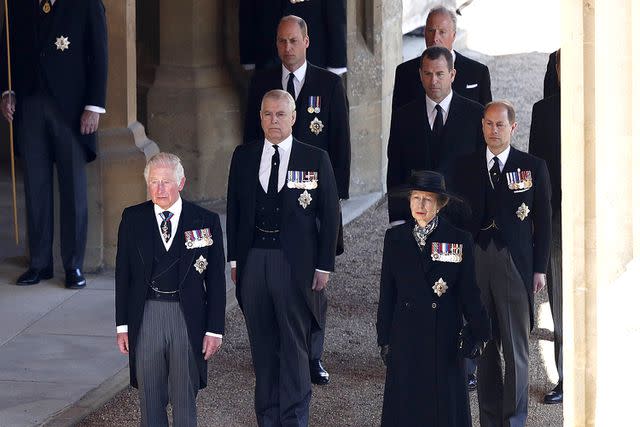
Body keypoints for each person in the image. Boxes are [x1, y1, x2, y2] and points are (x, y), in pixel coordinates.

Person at [243, 15, 350, 384]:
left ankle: (312, 354)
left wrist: (337, 201)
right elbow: (248, 141)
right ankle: (278, 349)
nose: (287, 48)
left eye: (293, 41)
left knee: (314, 283)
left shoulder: (329, 84)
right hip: (271, 200)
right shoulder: (261, 82)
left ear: (307, 42)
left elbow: (341, 145)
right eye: (281, 41)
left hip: (314, 199)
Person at [227, 89, 340, 426]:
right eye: (267, 114)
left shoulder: (315, 158)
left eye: (280, 114)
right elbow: (233, 210)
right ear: (259, 117)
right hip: (254, 261)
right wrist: (235, 261)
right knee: (262, 348)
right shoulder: (243, 156)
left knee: (294, 348)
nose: (273, 120)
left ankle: (293, 420)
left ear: (293, 118)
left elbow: (330, 215)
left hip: (295, 265)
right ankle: (268, 418)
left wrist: (323, 265)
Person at [449, 101, 552, 427]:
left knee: (516, 349)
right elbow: (454, 217)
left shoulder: (532, 167)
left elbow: (544, 221)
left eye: (500, 125)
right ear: (482, 126)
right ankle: (490, 420)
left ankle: (515, 420)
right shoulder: (464, 166)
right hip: (477, 260)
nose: (494, 131)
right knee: (485, 346)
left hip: (514, 264)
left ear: (513, 128)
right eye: (489, 125)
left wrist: (539, 268)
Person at [0, 0, 108, 288]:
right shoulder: (16, 4)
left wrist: (94, 106)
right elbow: (7, 47)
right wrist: (7, 91)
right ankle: (39, 263)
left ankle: (73, 265)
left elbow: (99, 54)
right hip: (30, 104)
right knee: (36, 186)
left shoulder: (87, 4)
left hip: (71, 109)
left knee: (73, 187)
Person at [115, 152, 226, 426]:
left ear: (182, 183)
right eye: (154, 182)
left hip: (186, 317)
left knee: (184, 398)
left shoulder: (205, 221)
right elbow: (123, 276)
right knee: (149, 398)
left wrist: (214, 329)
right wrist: (122, 326)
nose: (160, 189)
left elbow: (215, 281)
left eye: (166, 182)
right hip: (147, 314)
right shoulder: (132, 219)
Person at [377, 170, 491, 426]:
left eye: (428, 199)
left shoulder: (458, 241)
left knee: (444, 411)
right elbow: (387, 293)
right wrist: (384, 338)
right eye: (416, 198)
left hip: (444, 338)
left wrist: (480, 332)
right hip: (406, 337)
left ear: (441, 204)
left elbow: (469, 292)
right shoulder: (395, 239)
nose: (421, 205)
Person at [387, 46, 484, 225]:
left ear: (452, 75)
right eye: (428, 74)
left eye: (440, 74)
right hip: (415, 219)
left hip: (461, 220)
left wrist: (479, 218)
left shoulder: (476, 115)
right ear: (420, 75)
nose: (433, 81)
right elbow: (395, 168)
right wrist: (397, 218)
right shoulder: (404, 116)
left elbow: (482, 170)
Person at [529, 48, 562, 404]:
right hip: (555, 216)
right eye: (560, 65)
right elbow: (538, 173)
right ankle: (564, 377)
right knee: (560, 297)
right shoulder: (542, 111)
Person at [392, 5, 492, 112]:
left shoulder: (477, 72)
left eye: (442, 32)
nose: (435, 38)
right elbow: (398, 121)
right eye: (431, 31)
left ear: (453, 35)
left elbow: (488, 120)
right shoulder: (405, 72)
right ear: (425, 33)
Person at [239, 0, 347, 73]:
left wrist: (337, 63)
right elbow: (247, 13)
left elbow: (335, 16)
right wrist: (248, 57)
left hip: (312, 58)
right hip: (269, 55)